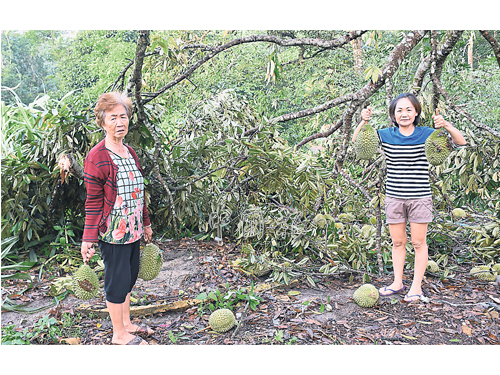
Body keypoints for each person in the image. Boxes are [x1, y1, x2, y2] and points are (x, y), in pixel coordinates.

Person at [352, 93, 466, 302]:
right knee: (397, 242)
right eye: (399, 110)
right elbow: (359, 146)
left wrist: (446, 125)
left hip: (420, 197)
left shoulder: (429, 134)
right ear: (393, 115)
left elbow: (461, 141)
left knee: (418, 242)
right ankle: (397, 283)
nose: (404, 114)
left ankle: (416, 288)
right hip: (394, 197)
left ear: (416, 112)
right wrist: (363, 122)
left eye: (408, 110)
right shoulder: (386, 134)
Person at [81, 91, 154, 344]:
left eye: (123, 117)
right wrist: (88, 239)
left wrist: (145, 223)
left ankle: (127, 323)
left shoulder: (130, 153)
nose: (119, 122)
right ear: (102, 122)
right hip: (112, 233)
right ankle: (118, 334)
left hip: (132, 229)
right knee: (116, 281)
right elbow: (93, 201)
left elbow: (139, 191)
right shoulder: (97, 157)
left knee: (130, 277)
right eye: (113, 118)